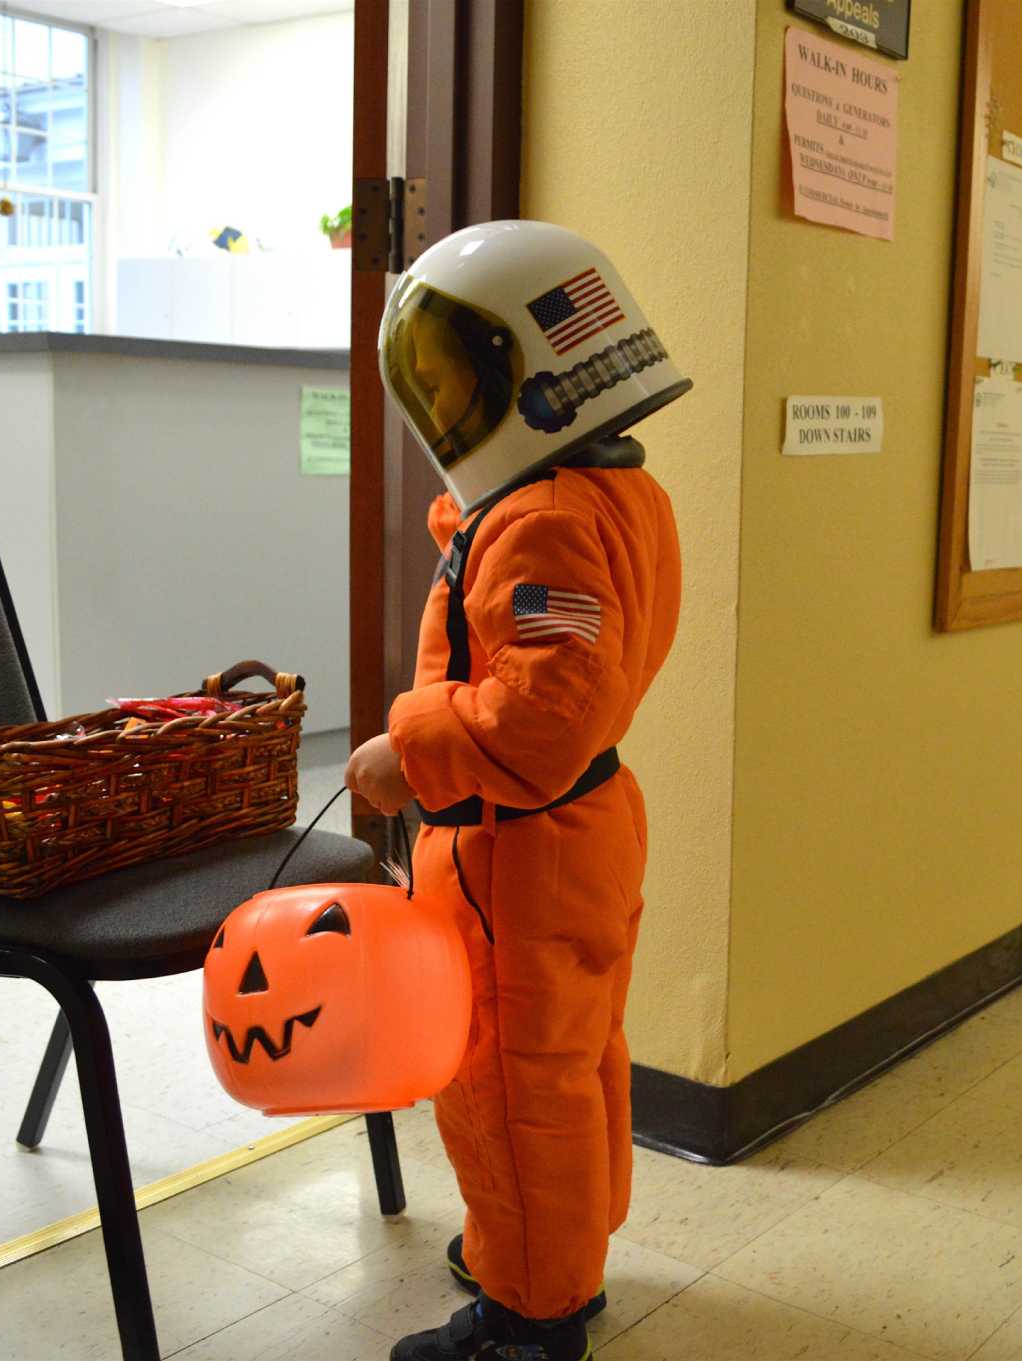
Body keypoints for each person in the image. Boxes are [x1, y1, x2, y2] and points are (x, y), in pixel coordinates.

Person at [344, 219, 689, 1361]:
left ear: (531, 382)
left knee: (504, 1078)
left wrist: (408, 748)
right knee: (574, 1053)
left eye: (451, 383)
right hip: (575, 830)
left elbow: (541, 717)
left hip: (515, 846)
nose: (440, 411)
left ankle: (527, 1314)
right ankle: (555, 1247)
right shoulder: (607, 495)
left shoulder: (540, 521)